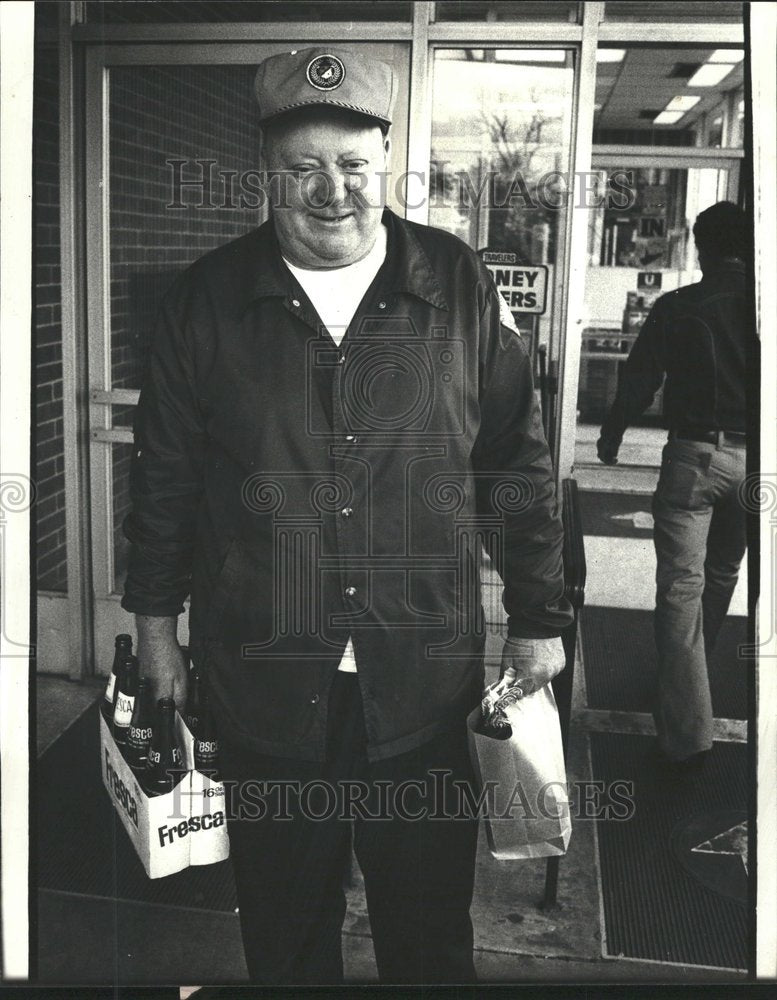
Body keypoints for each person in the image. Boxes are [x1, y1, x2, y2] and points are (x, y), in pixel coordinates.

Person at [122, 47, 572, 984]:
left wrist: (537, 620)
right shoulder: (204, 302)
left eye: (354, 165)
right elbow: (163, 480)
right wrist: (155, 632)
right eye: (303, 168)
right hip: (266, 683)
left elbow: (514, 465)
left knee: (428, 935)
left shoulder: (455, 283)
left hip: (421, 681)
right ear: (266, 175)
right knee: (286, 933)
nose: (332, 191)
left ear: (385, 164)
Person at [597, 201, 753, 774]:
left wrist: (613, 431)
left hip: (696, 456)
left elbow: (641, 376)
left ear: (700, 247)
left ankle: (686, 732)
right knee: (721, 575)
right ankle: (693, 679)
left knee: (680, 587)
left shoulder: (679, 306)